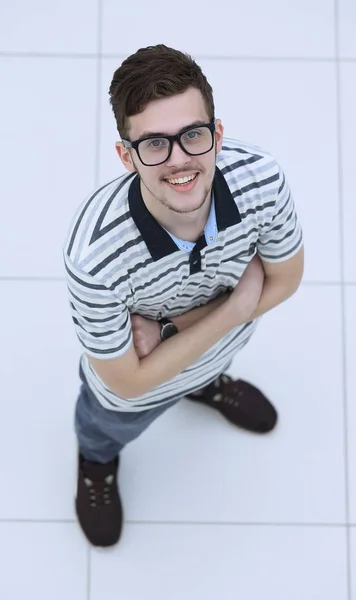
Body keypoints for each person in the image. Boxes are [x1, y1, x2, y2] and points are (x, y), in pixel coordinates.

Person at [62, 44, 304, 548]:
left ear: (216, 135)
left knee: (205, 364)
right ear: (126, 156)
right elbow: (128, 382)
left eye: (192, 135)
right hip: (129, 396)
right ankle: (97, 465)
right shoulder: (93, 258)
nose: (179, 161)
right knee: (103, 428)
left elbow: (285, 281)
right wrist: (236, 306)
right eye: (154, 144)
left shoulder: (262, 180)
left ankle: (204, 385)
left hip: (216, 351)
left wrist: (172, 329)